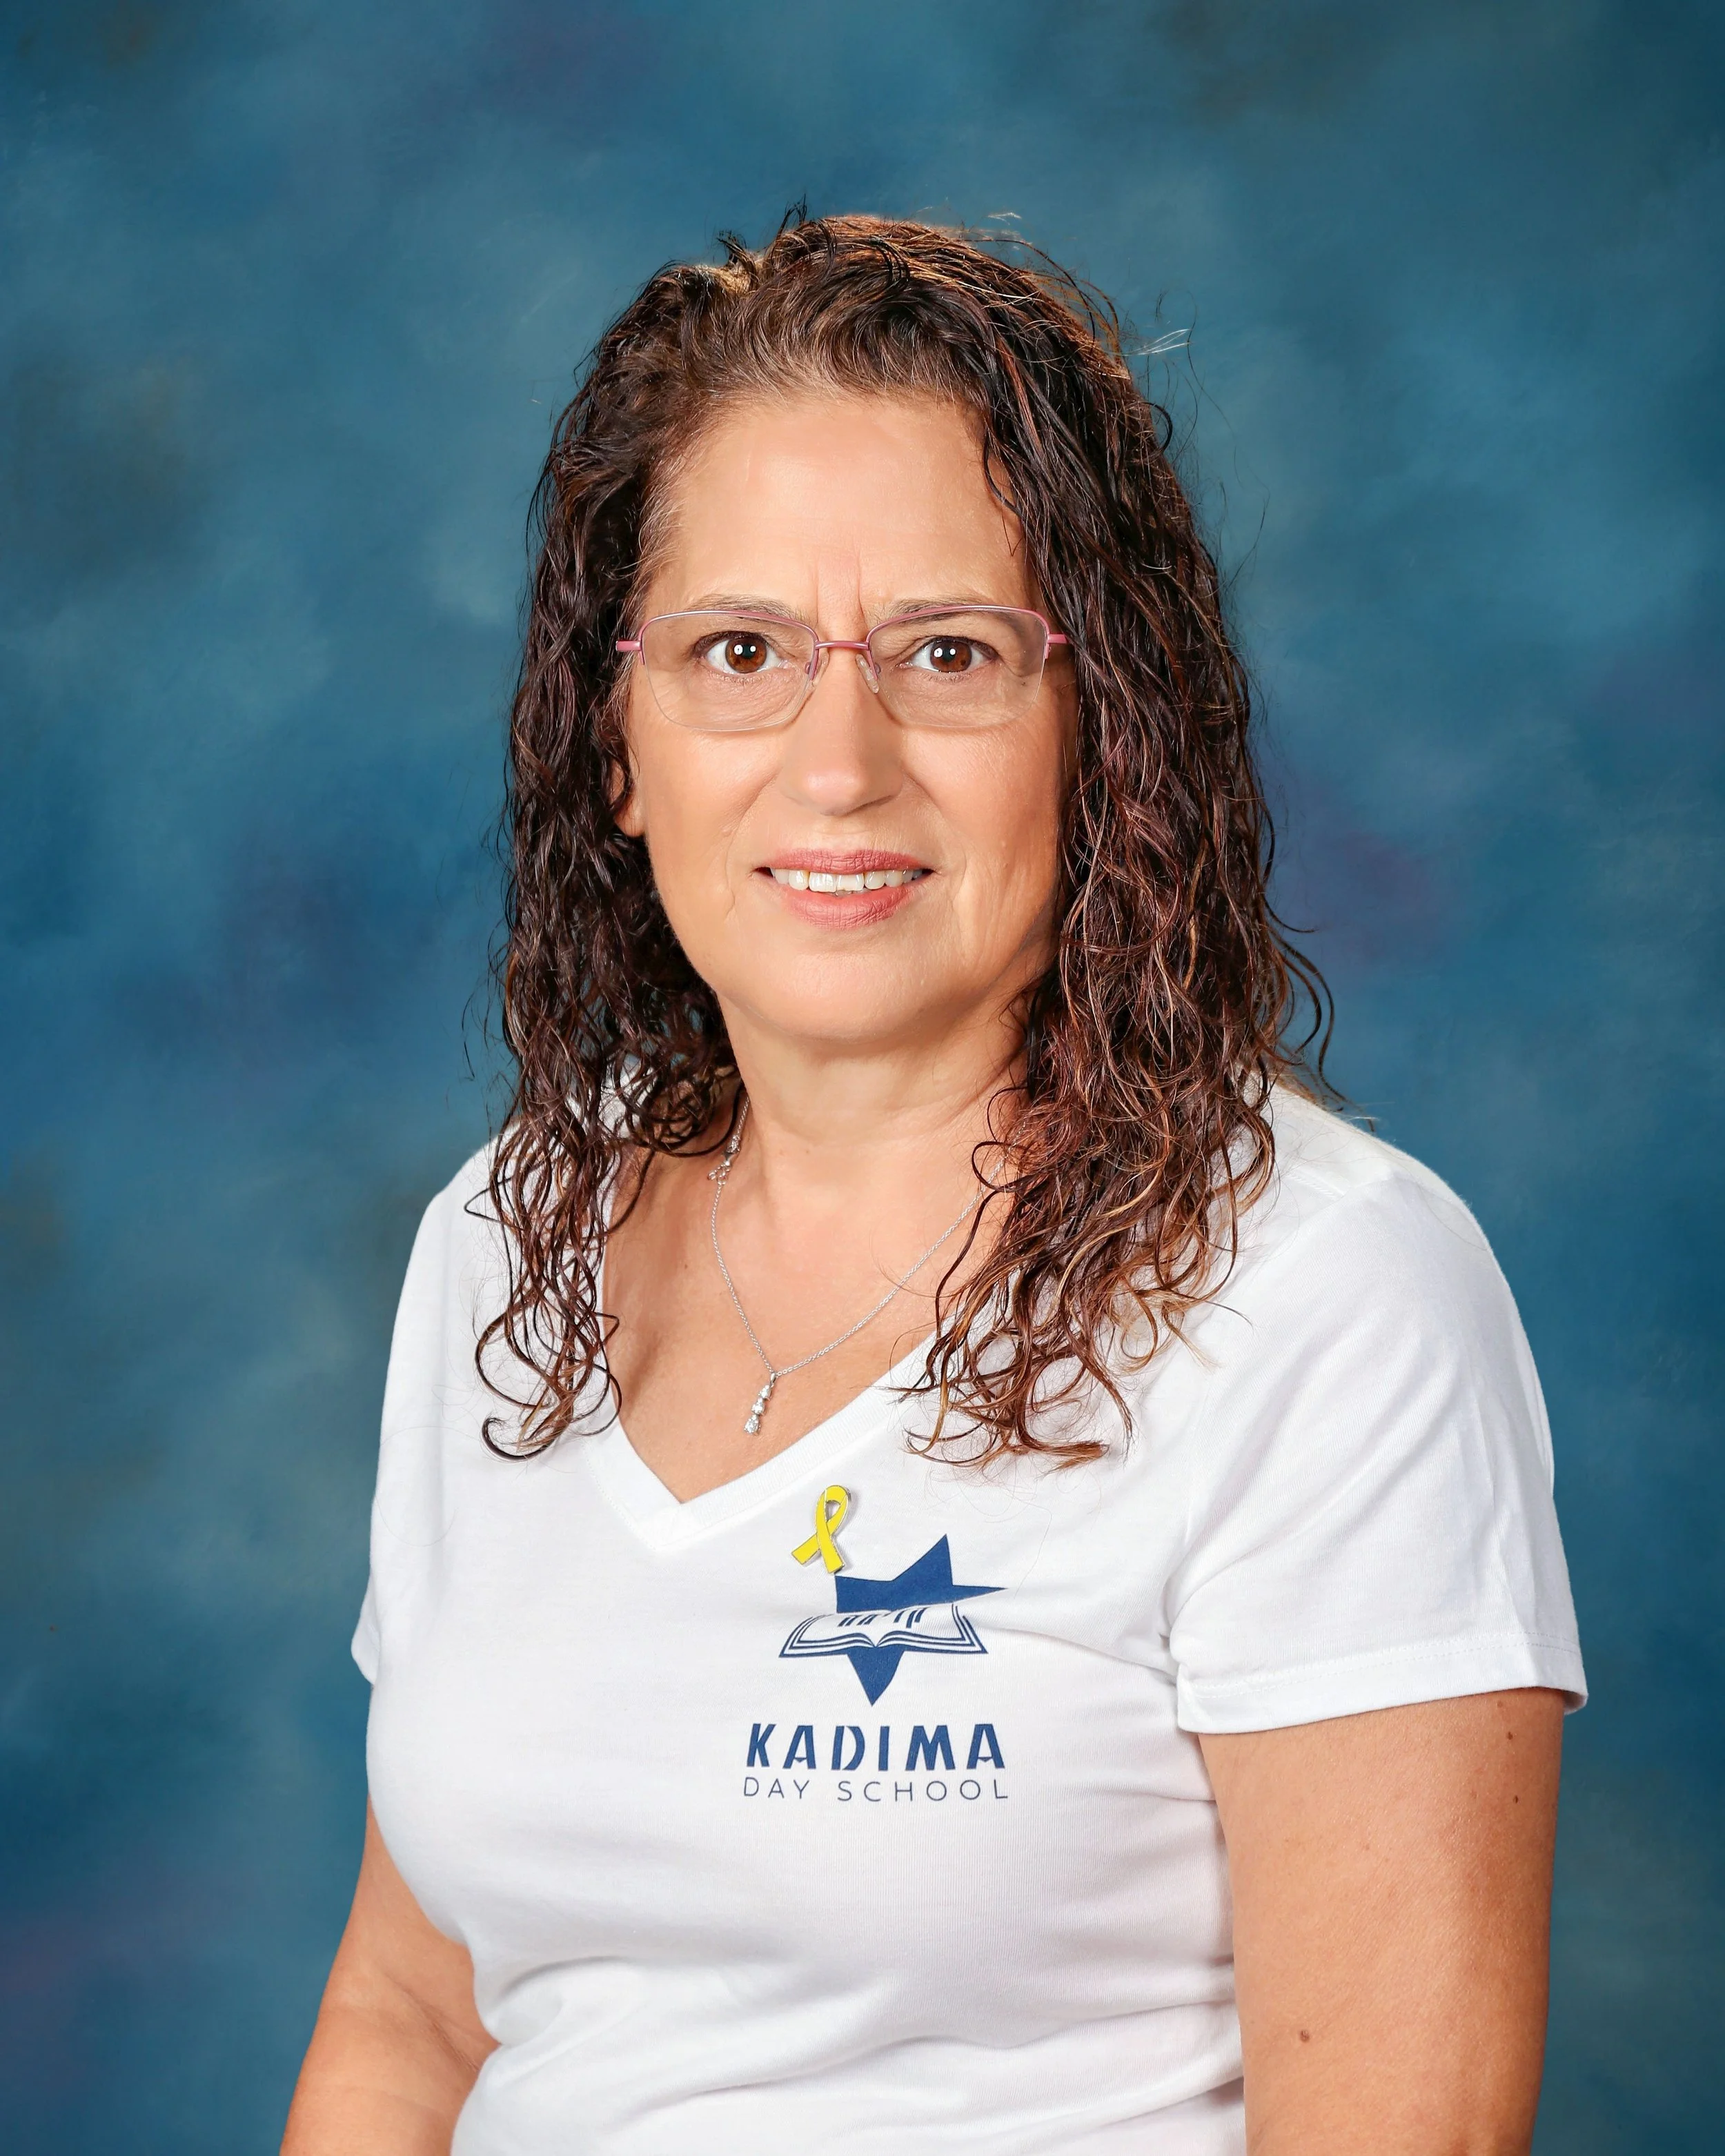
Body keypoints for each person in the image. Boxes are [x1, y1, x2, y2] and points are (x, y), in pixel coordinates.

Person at [282, 215, 1584, 2155]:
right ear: (616, 739)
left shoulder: (1325, 1292)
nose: (839, 764)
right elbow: (410, 2018)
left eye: (948, 654)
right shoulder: (508, 1238)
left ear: (1101, 726)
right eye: (738, 653)